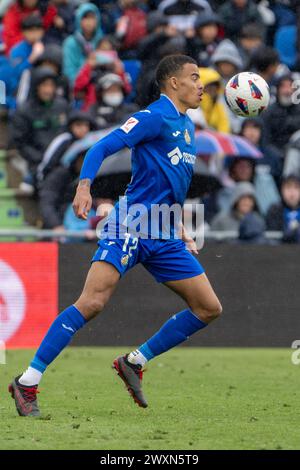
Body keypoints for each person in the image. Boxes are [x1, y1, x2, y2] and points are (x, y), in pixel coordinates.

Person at [9, 54, 223, 417]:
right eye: (193, 77)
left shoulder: (187, 126)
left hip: (164, 231)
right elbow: (101, 147)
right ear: (173, 83)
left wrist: (180, 225)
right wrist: (84, 186)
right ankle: (27, 381)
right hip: (130, 225)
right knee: (91, 303)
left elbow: (170, 183)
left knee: (208, 308)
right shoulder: (153, 117)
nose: (201, 84)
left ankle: (134, 361)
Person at [10, 66, 69, 190]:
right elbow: (21, 143)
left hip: (62, 161)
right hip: (37, 162)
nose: (48, 90)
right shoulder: (24, 111)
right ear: (36, 86)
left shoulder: (62, 106)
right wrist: (41, 159)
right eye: (44, 85)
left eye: (51, 86)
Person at [62, 2, 103, 84]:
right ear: (78, 20)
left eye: (92, 18)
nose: (89, 22)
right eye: (85, 18)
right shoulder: (70, 43)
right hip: (79, 87)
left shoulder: (102, 41)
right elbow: (69, 71)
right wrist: (87, 66)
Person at [266, 175, 300, 243]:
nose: (292, 193)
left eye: (296, 188)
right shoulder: (274, 210)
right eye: (288, 187)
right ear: (281, 190)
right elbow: (272, 235)